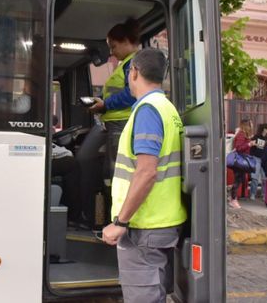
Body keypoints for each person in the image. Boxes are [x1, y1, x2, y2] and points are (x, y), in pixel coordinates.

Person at [101, 48, 186, 303]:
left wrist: (120, 223)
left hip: (144, 227)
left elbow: (147, 172)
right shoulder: (167, 108)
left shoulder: (147, 110)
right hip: (162, 222)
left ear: (134, 72)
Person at [77, 18, 140, 226]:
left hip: (121, 125)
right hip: (113, 124)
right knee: (106, 171)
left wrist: (105, 105)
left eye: (113, 46)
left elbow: (131, 94)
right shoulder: (126, 64)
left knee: (116, 175)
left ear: (126, 41)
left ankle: (117, 222)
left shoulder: (133, 63)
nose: (111, 52)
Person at [230, 119, 256, 208]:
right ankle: (233, 199)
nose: (252, 126)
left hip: (241, 160)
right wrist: (249, 144)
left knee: (239, 179)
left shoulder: (243, 134)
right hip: (240, 160)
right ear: (247, 125)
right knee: (238, 179)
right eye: (250, 124)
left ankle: (233, 198)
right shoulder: (241, 134)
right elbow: (238, 148)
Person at [249, 123, 267, 200]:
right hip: (256, 158)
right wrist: (254, 145)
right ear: (264, 129)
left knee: (265, 178)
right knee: (254, 177)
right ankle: (252, 194)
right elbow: (251, 146)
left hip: (265, 159)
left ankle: (264, 195)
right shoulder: (256, 137)